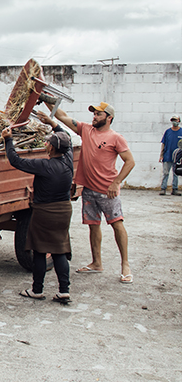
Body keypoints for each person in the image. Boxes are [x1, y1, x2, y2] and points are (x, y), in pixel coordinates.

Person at [50, 101, 136, 283]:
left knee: (117, 224)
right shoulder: (86, 130)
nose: (94, 117)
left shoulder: (116, 138)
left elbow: (130, 161)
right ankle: (97, 263)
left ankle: (125, 265)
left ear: (109, 118)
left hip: (108, 191)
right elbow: (63, 117)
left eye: (98, 114)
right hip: (88, 189)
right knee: (93, 225)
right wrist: (49, 100)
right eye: (94, 114)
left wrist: (116, 182)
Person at [3, 111, 74, 303]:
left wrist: (8, 140)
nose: (45, 144)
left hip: (45, 212)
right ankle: (64, 291)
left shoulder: (45, 166)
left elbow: (15, 160)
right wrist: (52, 123)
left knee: (40, 251)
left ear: (51, 148)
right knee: (59, 250)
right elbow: (68, 140)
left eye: (47, 142)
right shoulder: (68, 161)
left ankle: (37, 290)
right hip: (64, 211)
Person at [159, 114, 182, 195]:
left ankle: (174, 189)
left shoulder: (181, 131)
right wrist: (161, 155)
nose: (174, 122)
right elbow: (163, 144)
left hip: (177, 157)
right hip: (167, 156)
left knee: (175, 173)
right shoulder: (168, 132)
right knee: (166, 173)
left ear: (179, 121)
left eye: (176, 120)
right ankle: (163, 188)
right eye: (173, 120)